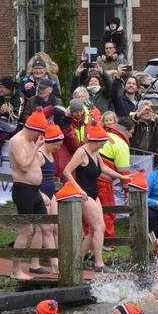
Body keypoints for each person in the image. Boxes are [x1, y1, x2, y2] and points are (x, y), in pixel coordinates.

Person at [62, 123, 129, 272]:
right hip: (85, 194)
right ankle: (99, 263)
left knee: (94, 230)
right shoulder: (81, 152)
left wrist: (123, 177)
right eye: (103, 141)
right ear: (95, 141)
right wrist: (79, 191)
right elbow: (67, 171)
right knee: (100, 227)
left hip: (94, 193)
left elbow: (104, 168)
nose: (104, 144)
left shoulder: (96, 152)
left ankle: (77, 261)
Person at [8, 111, 49, 280]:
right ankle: (15, 270)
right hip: (23, 189)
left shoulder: (31, 141)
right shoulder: (17, 141)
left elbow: (34, 163)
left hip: (34, 190)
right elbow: (24, 166)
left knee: (46, 226)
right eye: (39, 133)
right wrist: (37, 148)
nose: (39, 137)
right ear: (32, 129)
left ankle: (40, 264)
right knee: (26, 230)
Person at [29, 124, 64, 275]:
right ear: (51, 141)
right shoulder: (39, 154)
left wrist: (52, 195)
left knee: (55, 228)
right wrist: (40, 194)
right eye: (57, 144)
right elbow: (30, 177)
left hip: (51, 193)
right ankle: (35, 263)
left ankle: (57, 260)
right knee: (42, 230)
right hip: (40, 193)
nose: (58, 147)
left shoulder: (50, 153)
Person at [99, 111, 131, 239]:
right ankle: (108, 241)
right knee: (108, 211)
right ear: (127, 131)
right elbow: (124, 171)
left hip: (88, 178)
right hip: (102, 181)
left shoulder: (103, 136)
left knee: (90, 212)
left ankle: (87, 239)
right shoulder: (121, 144)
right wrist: (127, 191)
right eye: (132, 133)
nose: (131, 136)